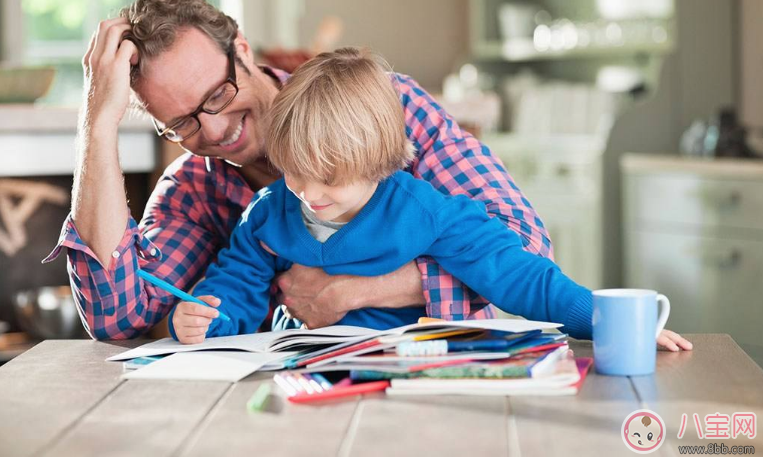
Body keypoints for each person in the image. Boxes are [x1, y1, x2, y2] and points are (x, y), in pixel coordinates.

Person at [170, 47, 692, 357]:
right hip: (299, 368)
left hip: (407, 368)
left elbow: (520, 275)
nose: (307, 194)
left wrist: (604, 319)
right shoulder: (269, 210)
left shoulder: (425, 211)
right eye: (294, 175)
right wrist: (205, 319)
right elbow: (234, 283)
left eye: (326, 177)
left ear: (376, 158)